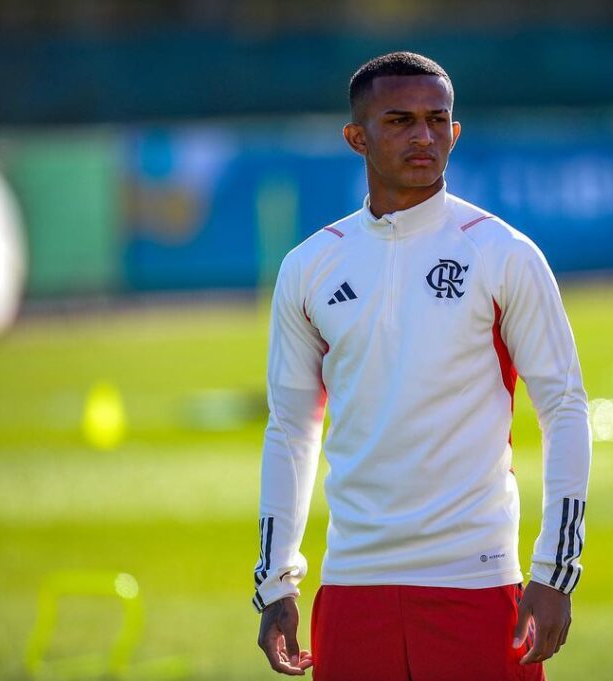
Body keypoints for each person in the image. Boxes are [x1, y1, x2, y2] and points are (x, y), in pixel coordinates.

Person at [253, 51, 591, 681]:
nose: (424, 136)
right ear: (357, 136)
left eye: (438, 120)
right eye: (400, 120)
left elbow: (565, 408)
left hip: (478, 582)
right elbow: (290, 430)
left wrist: (554, 571)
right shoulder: (309, 267)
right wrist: (276, 580)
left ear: (455, 132)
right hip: (353, 585)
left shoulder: (502, 253)